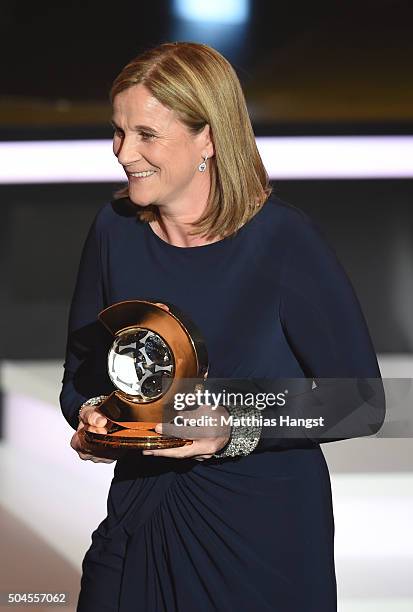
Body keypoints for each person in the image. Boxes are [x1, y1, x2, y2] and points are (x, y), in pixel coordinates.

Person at [60, 42, 385, 612]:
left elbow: (363, 402)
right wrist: (91, 415)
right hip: (141, 516)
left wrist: (231, 425)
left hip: (262, 538)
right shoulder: (113, 230)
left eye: (145, 134)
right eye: (117, 131)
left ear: (207, 137)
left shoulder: (284, 241)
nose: (122, 152)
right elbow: (81, 377)